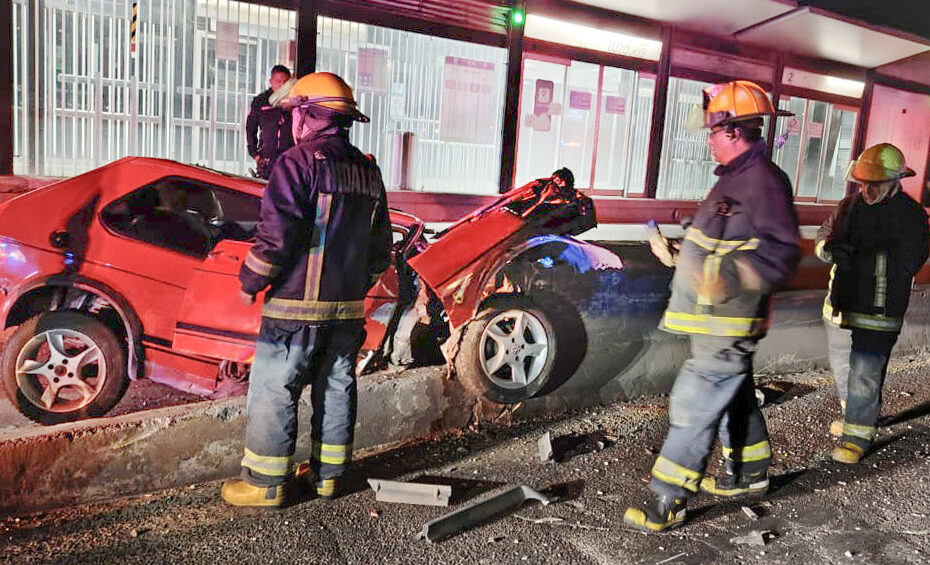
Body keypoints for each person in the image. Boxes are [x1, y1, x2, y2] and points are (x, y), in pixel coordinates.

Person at [625, 80, 801, 533]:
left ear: (734, 132)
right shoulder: (739, 180)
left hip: (729, 321)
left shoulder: (762, 182)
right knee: (735, 398)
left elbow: (780, 253)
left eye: (712, 132)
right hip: (716, 320)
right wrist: (681, 253)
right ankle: (750, 474)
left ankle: (669, 501)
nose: (707, 140)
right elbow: (725, 243)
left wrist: (729, 276)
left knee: (694, 403)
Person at [222, 72, 392, 507]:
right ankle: (328, 477)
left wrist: (250, 282)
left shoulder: (296, 164)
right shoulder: (368, 171)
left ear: (310, 115)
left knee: (275, 390)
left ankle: (265, 484)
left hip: (295, 311)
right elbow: (380, 250)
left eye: (296, 111)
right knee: (337, 388)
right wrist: (358, 285)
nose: (292, 121)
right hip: (348, 310)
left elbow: (275, 237)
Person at [816, 143, 929, 464]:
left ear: (895, 181)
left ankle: (856, 437)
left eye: (874, 184)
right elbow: (823, 236)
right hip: (839, 308)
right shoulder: (848, 206)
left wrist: (861, 257)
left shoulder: (911, 215)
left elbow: (908, 261)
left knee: (864, 373)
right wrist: (829, 249)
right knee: (842, 368)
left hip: (878, 312)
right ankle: (855, 414)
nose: (866, 189)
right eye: (863, 183)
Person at [246, 65, 295, 179]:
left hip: (290, 157)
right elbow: (250, 128)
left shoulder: (294, 102)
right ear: (271, 81)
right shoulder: (261, 101)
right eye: (278, 81)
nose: (282, 85)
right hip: (267, 158)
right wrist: (255, 154)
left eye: (285, 82)